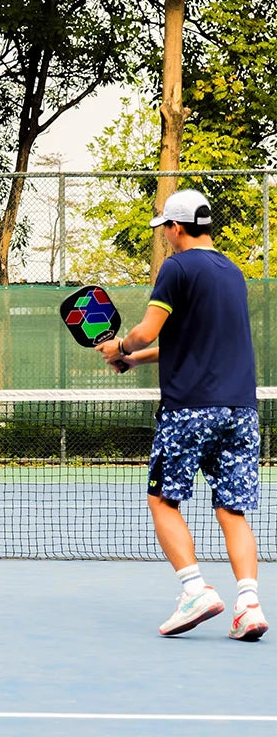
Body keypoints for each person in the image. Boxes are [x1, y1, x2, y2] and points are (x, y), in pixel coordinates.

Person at [96, 189, 268, 641]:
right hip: (240, 411)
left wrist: (121, 348)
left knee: (162, 501)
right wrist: (137, 361)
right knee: (233, 510)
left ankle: (194, 589)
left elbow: (146, 330)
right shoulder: (232, 272)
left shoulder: (176, 267)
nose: (167, 239)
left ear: (176, 227)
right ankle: (248, 605)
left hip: (190, 409)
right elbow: (189, 343)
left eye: (166, 230)